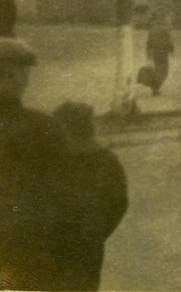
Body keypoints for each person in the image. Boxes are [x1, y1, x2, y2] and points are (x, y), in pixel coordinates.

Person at [0, 38, 69, 290]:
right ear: (14, 76)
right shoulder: (42, 128)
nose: (27, 80)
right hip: (26, 255)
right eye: (25, 73)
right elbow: (65, 198)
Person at [51, 102, 129, 292]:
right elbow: (119, 203)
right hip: (89, 241)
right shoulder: (107, 159)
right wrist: (98, 231)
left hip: (53, 243)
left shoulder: (50, 160)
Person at [143, 7, 175, 95]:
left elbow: (148, 43)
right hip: (163, 52)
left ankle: (155, 88)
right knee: (164, 71)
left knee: (157, 69)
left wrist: (148, 55)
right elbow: (170, 41)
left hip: (154, 52)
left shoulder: (152, 29)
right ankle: (156, 87)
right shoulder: (166, 29)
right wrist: (172, 51)